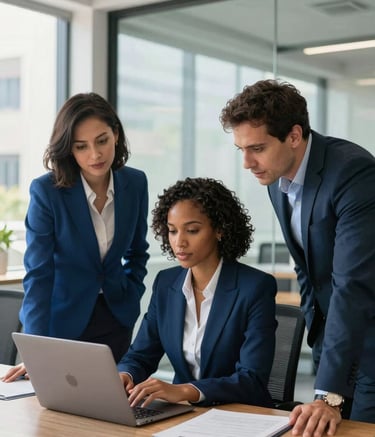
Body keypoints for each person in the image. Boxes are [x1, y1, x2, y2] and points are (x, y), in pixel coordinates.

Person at [220, 79, 375, 435]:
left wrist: (329, 394)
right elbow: (306, 269)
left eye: (256, 148)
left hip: (370, 345)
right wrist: (319, 341)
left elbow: (351, 285)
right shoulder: (277, 179)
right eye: (240, 149)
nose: (247, 163)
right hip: (333, 344)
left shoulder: (353, 173)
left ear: (293, 135)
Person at [3, 92, 149, 382]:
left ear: (116, 135)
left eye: (102, 140)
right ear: (69, 149)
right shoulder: (47, 192)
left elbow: (137, 252)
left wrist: (131, 295)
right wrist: (35, 348)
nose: (94, 155)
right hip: (64, 321)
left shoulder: (135, 182)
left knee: (113, 409)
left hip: (116, 316)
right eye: (81, 146)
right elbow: (38, 274)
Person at [117, 177, 277, 408]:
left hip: (239, 414)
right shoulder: (166, 283)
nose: (179, 242)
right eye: (172, 231)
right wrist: (126, 375)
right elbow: (140, 355)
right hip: (183, 413)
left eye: (192, 230)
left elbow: (251, 379)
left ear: (220, 229)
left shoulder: (255, 287)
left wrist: (184, 390)